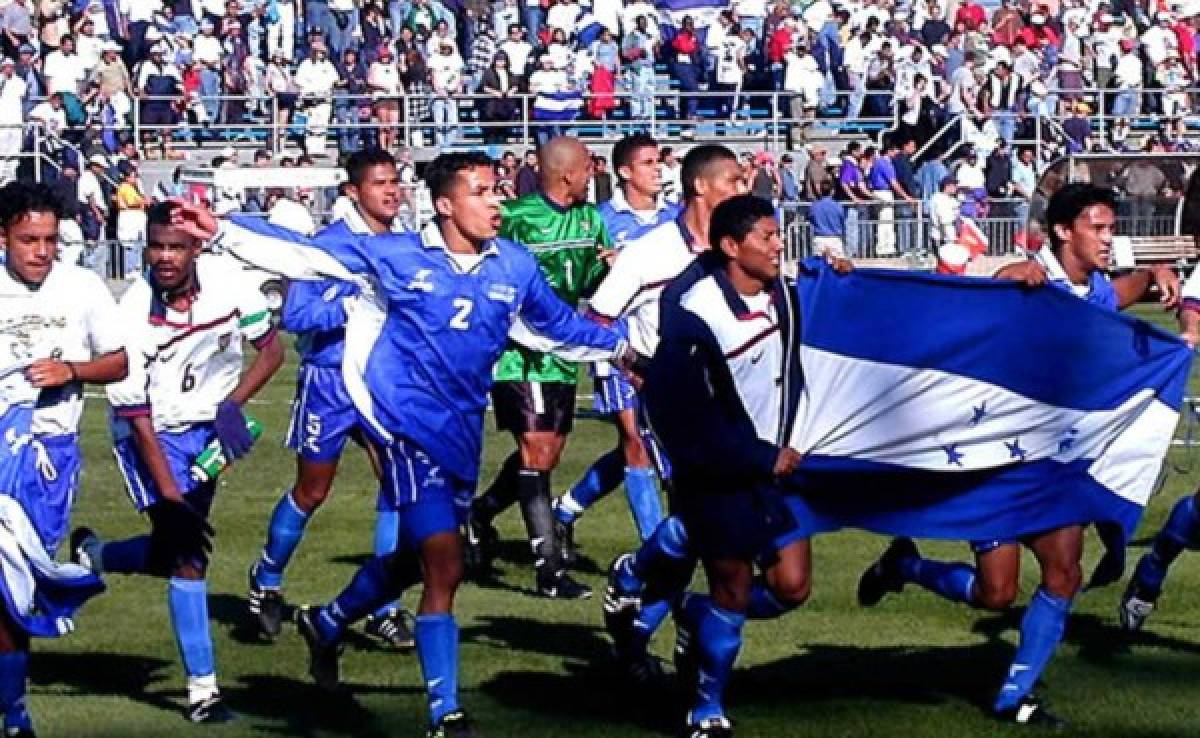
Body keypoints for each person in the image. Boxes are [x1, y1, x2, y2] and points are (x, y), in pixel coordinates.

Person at [219, 151, 631, 737]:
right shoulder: (397, 255)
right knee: (443, 561)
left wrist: (622, 351)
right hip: (401, 423)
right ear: (444, 204)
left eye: (497, 192)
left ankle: (329, 620)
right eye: (482, 192)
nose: (497, 203)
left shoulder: (511, 265)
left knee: (422, 559)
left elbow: (555, 327)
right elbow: (302, 256)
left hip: (459, 435)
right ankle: (446, 714)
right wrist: (219, 229)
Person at [856, 183, 1180, 727]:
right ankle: (905, 564)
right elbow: (978, 303)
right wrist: (1008, 281)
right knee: (996, 595)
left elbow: (1123, 291)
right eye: (1097, 228)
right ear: (1062, 231)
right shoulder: (1027, 281)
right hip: (997, 464)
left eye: (1110, 228)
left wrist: (1156, 274)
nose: (1109, 238)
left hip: (1052, 470)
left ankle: (1014, 697)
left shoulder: (1092, 292)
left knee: (1064, 573)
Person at [70, 201, 286, 724]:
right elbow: (139, 416)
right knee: (188, 552)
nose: (164, 257)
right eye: (156, 247)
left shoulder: (228, 281)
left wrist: (233, 404)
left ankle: (96, 556)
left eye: (175, 246)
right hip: (152, 432)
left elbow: (272, 350)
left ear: (195, 248)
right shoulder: (132, 315)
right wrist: (168, 499)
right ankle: (203, 691)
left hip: (208, 429)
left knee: (176, 550)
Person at [643, 194, 810, 738]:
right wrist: (759, 455)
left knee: (792, 586)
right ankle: (706, 707)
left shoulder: (784, 292)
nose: (778, 244)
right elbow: (684, 418)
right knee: (734, 587)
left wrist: (841, 274)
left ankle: (692, 610)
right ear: (731, 247)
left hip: (774, 470)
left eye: (777, 233)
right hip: (718, 476)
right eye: (766, 236)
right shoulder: (695, 315)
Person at [246, 148, 416, 649]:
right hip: (330, 381)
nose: (391, 191)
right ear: (353, 192)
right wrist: (354, 305)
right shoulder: (327, 246)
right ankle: (267, 577)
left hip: (384, 381)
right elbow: (297, 316)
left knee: (397, 488)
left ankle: (383, 608)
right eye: (380, 183)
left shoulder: (408, 245)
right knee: (312, 490)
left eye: (395, 182)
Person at [593, 144, 748, 681]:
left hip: (733, 410)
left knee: (705, 533)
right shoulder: (649, 252)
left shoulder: (740, 250)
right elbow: (596, 319)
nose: (742, 187)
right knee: (706, 525)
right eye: (732, 179)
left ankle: (638, 611)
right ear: (700, 187)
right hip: (672, 406)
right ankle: (661, 619)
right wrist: (634, 362)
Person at [0, 181, 119, 737]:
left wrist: (71, 371)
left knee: (18, 588)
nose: (41, 251)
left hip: (47, 456)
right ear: (4, 238)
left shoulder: (80, 286)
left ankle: (13, 706)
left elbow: (117, 360)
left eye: (49, 239)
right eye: (28, 240)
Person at [467, 137, 610, 599]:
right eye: (588, 167)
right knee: (537, 449)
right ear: (567, 173)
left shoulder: (591, 219)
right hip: (520, 350)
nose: (593, 174)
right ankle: (548, 569)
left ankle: (480, 513)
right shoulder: (516, 217)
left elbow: (586, 281)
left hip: (564, 350)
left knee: (548, 453)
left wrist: (608, 270)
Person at [554, 133, 681, 560]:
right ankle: (655, 547)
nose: (657, 170)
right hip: (617, 346)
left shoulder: (676, 220)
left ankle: (567, 508)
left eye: (658, 162)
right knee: (635, 440)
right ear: (625, 171)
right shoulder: (603, 220)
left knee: (646, 442)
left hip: (664, 346)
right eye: (647, 163)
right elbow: (584, 278)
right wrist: (604, 269)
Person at [113, 160, 148, 279]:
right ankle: (130, 272)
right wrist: (144, 201)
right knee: (130, 247)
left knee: (137, 247)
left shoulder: (134, 188)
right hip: (129, 220)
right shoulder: (124, 187)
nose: (135, 178)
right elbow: (132, 202)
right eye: (133, 176)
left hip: (136, 221)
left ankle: (136, 271)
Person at [807, 179, 846, 257]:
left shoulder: (814, 206)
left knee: (819, 266)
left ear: (820, 191)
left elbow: (810, 219)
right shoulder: (837, 206)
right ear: (832, 191)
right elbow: (842, 221)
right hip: (835, 239)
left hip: (819, 239)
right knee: (838, 266)